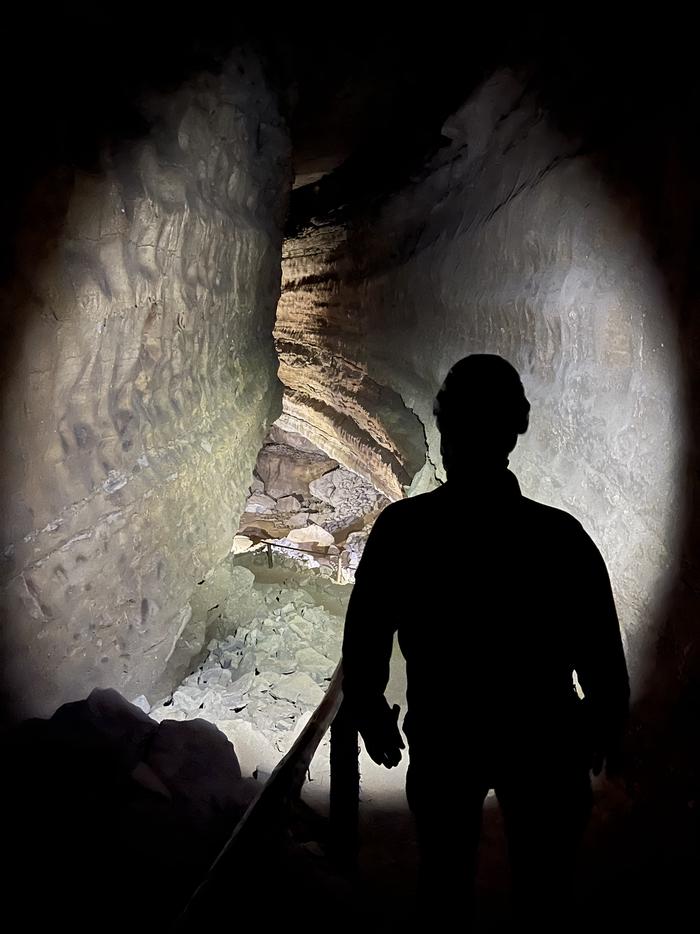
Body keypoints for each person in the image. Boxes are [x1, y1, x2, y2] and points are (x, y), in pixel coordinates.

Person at [341, 354, 629, 925]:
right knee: (545, 897)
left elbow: (366, 635)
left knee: (444, 886)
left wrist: (372, 712)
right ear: (514, 433)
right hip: (545, 739)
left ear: (444, 431)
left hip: (447, 736)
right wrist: (603, 728)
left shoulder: (406, 532)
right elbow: (602, 656)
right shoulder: (561, 538)